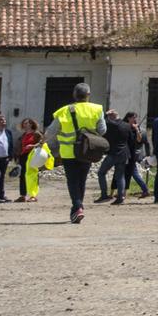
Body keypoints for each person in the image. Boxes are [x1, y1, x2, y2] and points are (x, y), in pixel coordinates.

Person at [44, 83, 108, 224]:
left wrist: (43, 142)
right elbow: (102, 130)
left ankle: (78, 207)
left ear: (74, 95)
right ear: (88, 95)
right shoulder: (97, 109)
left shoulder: (64, 111)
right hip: (87, 150)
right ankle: (77, 208)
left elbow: (50, 132)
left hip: (68, 152)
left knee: (72, 180)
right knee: (82, 180)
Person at [97, 112, 138, 204]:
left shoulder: (110, 125)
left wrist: (106, 114)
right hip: (124, 153)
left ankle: (104, 195)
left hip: (113, 153)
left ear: (111, 117)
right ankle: (120, 197)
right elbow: (131, 140)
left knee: (101, 173)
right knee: (120, 176)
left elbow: (102, 121)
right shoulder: (127, 126)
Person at [16, 118, 42, 201]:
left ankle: (33, 195)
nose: (25, 125)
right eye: (24, 123)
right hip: (23, 156)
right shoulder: (23, 135)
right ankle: (23, 195)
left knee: (33, 175)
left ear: (31, 124)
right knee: (23, 175)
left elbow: (42, 143)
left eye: (27, 123)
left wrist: (33, 146)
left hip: (33, 156)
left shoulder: (36, 134)